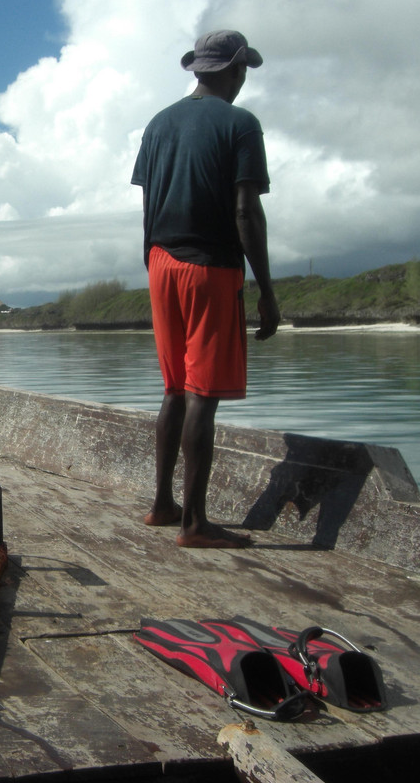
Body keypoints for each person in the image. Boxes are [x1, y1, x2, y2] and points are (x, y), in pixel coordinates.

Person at [131, 30, 279, 549]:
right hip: (210, 267)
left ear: (199, 69)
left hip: (161, 262)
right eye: (244, 72)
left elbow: (149, 203)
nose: (243, 81)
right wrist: (265, 288)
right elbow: (245, 211)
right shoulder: (241, 124)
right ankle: (194, 524)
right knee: (203, 395)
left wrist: (153, 262)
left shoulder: (158, 123)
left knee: (174, 388)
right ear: (235, 70)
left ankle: (161, 505)